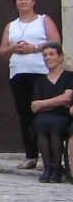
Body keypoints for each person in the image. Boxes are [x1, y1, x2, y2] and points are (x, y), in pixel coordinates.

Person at [0, 0, 60, 171]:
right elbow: (1, 52)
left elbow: (55, 42)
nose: (23, 2)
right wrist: (13, 49)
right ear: (15, 3)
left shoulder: (43, 20)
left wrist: (34, 48)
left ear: (33, 1)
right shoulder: (11, 25)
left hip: (40, 72)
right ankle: (31, 155)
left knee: (43, 113)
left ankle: (47, 156)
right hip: (18, 73)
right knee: (25, 116)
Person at [29, 42, 73, 183]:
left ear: (60, 57)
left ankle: (57, 169)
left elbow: (68, 98)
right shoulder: (40, 81)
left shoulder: (69, 76)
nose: (48, 58)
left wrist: (43, 104)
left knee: (55, 126)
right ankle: (48, 168)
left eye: (51, 54)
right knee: (40, 125)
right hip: (44, 116)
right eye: (45, 55)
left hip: (63, 116)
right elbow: (35, 107)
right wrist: (58, 102)